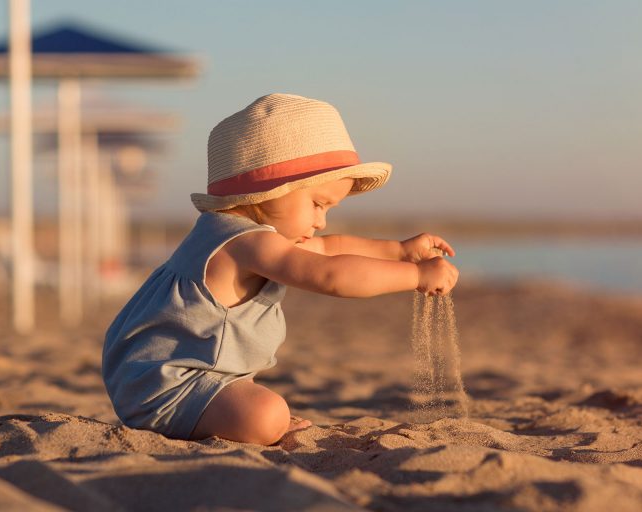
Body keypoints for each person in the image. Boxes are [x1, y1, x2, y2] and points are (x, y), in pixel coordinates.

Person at [102, 93, 459, 445]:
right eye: (318, 204)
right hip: (170, 386)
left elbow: (330, 247)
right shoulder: (245, 243)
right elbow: (330, 274)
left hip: (169, 376)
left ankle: (229, 407)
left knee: (261, 406)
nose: (321, 221)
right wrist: (415, 276)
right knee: (267, 416)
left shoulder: (234, 232)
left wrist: (398, 251)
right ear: (270, 190)